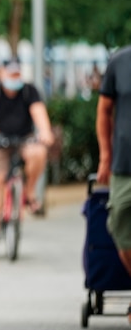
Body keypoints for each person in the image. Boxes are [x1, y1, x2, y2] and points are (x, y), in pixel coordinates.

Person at [0, 57, 54, 243]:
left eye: (17, 73)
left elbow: (39, 114)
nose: (15, 77)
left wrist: (45, 132)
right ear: (1, 73)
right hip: (0, 141)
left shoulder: (29, 91)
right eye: (11, 73)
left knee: (38, 152)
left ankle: (29, 193)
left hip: (24, 139)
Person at [96, 45, 131, 316]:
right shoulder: (119, 61)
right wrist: (105, 157)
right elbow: (104, 110)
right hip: (124, 164)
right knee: (119, 222)